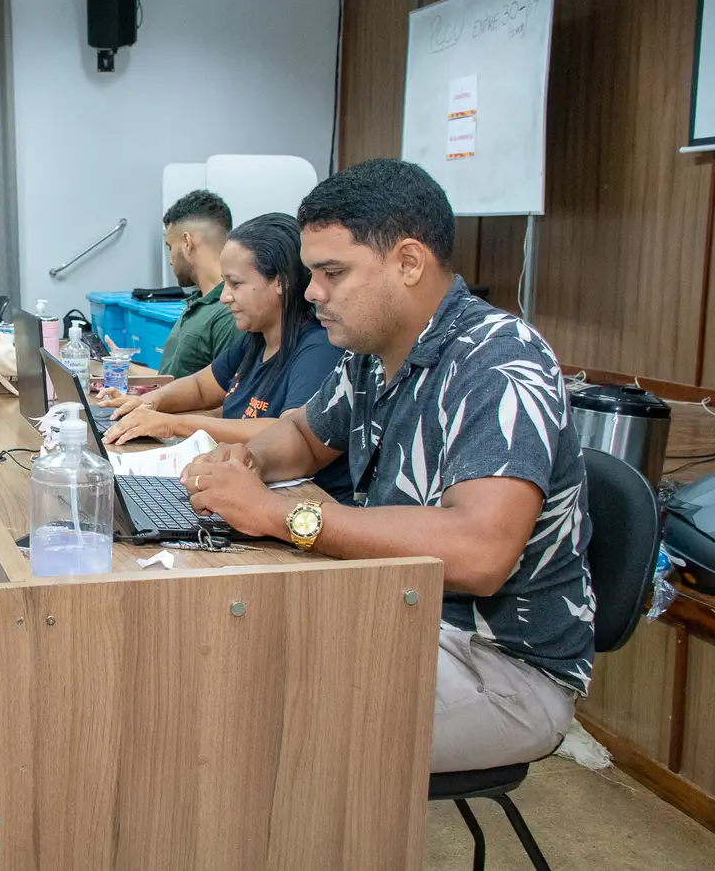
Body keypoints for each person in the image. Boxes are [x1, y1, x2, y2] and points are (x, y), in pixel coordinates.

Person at [180, 159, 594, 774]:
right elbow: (303, 435)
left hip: (501, 667)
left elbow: (479, 552)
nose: (312, 293)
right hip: (402, 610)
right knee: (214, 652)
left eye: (332, 273)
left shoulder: (498, 362)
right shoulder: (374, 354)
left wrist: (280, 515)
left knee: (251, 719)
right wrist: (247, 458)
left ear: (408, 263)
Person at [100, 213, 352, 501]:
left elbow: (288, 432)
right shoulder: (254, 340)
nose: (224, 297)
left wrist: (171, 423)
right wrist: (148, 402)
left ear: (280, 282)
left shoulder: (319, 349)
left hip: (301, 502)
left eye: (236, 284)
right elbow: (200, 387)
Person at [157, 190, 240, 378]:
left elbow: (225, 392)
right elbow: (174, 381)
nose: (170, 260)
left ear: (187, 242)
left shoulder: (230, 311)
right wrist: (122, 369)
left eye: (170, 248)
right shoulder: (199, 304)